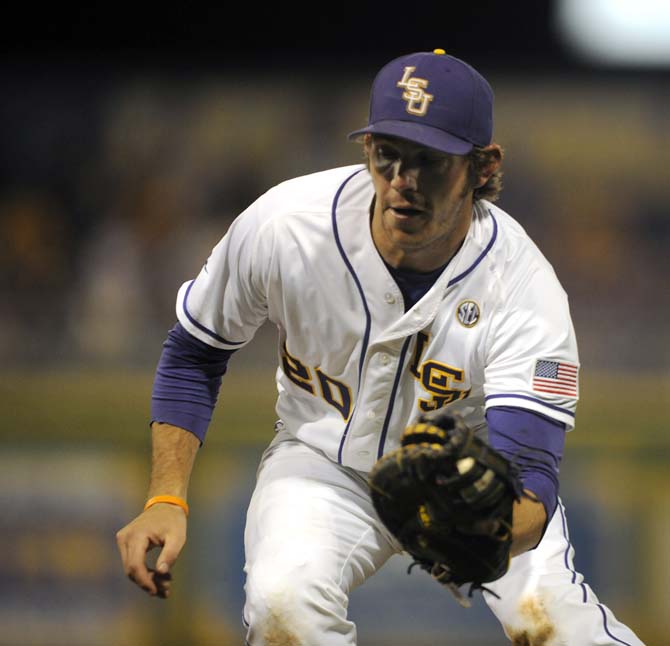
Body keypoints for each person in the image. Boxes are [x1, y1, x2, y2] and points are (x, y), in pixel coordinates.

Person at [116, 49, 643, 645]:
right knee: (283, 605)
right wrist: (166, 496)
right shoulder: (286, 225)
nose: (403, 181)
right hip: (321, 466)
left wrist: (492, 534)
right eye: (387, 154)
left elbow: (531, 475)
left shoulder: (524, 288)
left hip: (472, 486)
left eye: (429, 161)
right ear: (365, 148)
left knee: (562, 632)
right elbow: (195, 351)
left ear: (481, 165)